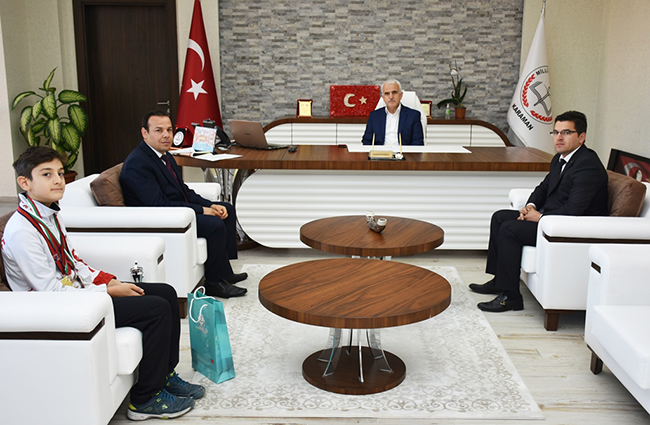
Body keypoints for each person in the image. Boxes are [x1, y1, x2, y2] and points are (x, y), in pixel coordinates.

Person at [1, 146, 205, 421]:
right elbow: (50, 291)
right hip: (60, 307)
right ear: (24, 182)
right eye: (47, 174)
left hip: (78, 293)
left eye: (60, 173)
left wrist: (109, 281)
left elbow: (73, 262)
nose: (58, 180)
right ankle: (145, 399)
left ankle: (165, 376)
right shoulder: (22, 231)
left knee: (166, 293)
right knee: (155, 309)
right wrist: (106, 291)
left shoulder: (50, 213)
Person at [469, 111, 608, 312]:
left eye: (566, 132)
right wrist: (531, 206)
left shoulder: (588, 166)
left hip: (570, 229)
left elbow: (574, 210)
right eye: (556, 132)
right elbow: (543, 188)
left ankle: (511, 297)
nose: (559, 138)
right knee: (500, 217)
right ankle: (500, 281)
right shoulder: (560, 159)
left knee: (510, 229)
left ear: (581, 137)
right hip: (552, 221)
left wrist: (540, 217)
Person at [120, 110, 247, 299]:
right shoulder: (137, 164)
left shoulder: (165, 156)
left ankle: (224, 272)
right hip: (161, 219)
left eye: (169, 130)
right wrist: (203, 210)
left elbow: (184, 191)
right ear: (145, 133)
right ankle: (214, 283)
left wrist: (211, 205)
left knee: (226, 209)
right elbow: (159, 205)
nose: (166, 135)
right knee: (214, 224)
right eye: (158, 130)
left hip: (176, 210)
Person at [361, 79, 424, 147]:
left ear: (401, 95)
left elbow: (418, 142)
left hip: (404, 153)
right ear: (383, 98)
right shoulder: (374, 116)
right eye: (387, 93)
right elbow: (366, 141)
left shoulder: (413, 115)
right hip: (380, 152)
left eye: (394, 92)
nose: (391, 97)